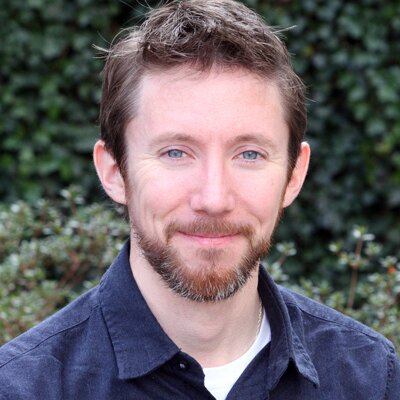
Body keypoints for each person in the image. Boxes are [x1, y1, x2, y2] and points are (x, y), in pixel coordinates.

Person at [0, 0, 399, 398]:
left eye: (249, 154)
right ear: (115, 172)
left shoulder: (371, 378)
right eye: (176, 152)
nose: (213, 198)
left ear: (294, 175)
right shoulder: (22, 388)